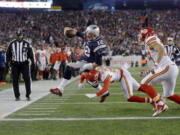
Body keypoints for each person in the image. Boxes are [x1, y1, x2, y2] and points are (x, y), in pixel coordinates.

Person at [50, 25, 109, 96]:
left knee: (69, 67)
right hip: (84, 61)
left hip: (90, 64)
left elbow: (98, 62)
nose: (86, 34)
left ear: (94, 34)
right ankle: (105, 92)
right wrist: (70, 30)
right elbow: (77, 33)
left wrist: (86, 67)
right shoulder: (89, 37)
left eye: (88, 33)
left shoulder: (98, 44)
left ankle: (60, 89)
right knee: (90, 80)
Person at [138, 27, 180, 116]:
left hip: (167, 68)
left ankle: (160, 104)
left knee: (144, 84)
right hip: (170, 68)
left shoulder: (149, 39)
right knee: (169, 95)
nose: (139, 35)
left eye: (140, 33)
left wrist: (156, 63)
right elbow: (159, 64)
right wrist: (148, 72)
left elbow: (160, 49)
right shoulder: (152, 39)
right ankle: (160, 101)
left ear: (145, 33)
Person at [6, 30, 35, 101]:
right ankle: (17, 95)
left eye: (20, 35)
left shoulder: (27, 44)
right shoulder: (12, 44)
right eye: (17, 35)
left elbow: (31, 55)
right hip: (15, 64)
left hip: (24, 64)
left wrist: (33, 63)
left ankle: (28, 94)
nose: (19, 36)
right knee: (15, 80)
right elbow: (8, 54)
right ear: (16, 35)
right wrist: (8, 63)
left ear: (22, 35)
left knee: (27, 79)